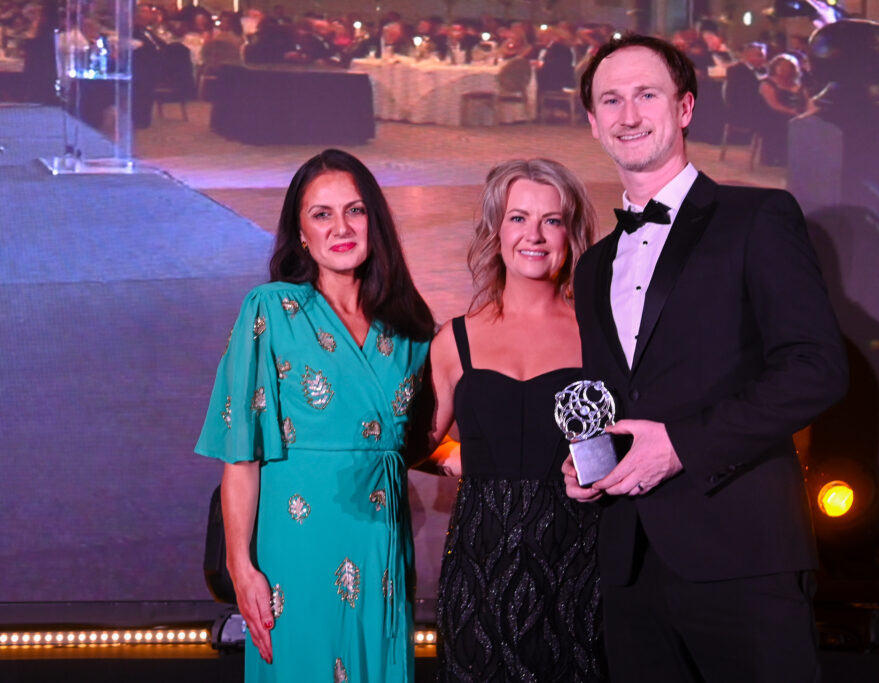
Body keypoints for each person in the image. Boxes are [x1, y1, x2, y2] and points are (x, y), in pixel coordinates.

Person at [565, 34, 848, 681]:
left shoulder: (758, 216)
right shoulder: (594, 266)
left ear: (685, 107)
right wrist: (588, 462)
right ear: (593, 122)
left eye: (647, 95)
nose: (628, 115)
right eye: (611, 100)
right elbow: (616, 398)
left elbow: (817, 368)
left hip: (743, 552)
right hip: (629, 562)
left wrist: (681, 446)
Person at [195, 149, 434, 682]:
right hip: (296, 550)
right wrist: (240, 567)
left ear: (375, 220)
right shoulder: (270, 310)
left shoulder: (411, 328)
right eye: (322, 214)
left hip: (380, 548)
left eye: (355, 210)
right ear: (301, 233)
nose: (341, 228)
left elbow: (422, 440)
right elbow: (241, 456)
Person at [425, 159, 605, 682]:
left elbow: (629, 438)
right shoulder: (455, 340)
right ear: (496, 231)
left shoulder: (601, 335)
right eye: (518, 218)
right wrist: (453, 457)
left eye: (552, 220)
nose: (535, 235)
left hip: (581, 566)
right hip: (478, 570)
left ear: (571, 234)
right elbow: (411, 441)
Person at [758, 53, 816, 165]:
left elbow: (807, 102)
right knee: (788, 123)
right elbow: (774, 105)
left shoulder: (798, 85)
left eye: (787, 66)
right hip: (773, 116)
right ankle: (781, 157)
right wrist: (792, 112)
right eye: (780, 65)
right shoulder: (767, 84)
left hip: (798, 114)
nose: (782, 69)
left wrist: (807, 113)